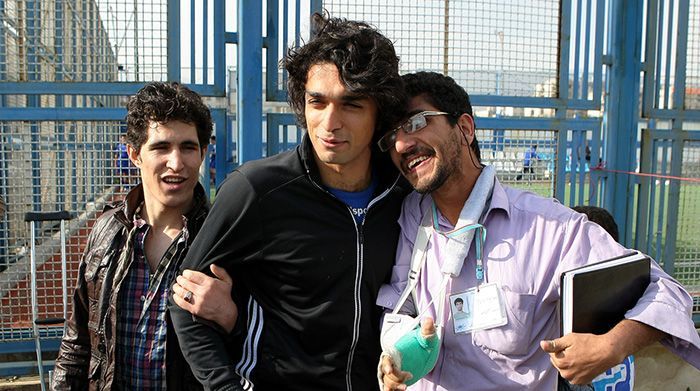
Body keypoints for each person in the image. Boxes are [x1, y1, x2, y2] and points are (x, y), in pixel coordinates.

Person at [376, 71, 700, 390]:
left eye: (417, 123)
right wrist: (397, 356)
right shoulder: (409, 218)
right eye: (391, 137)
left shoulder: (550, 228)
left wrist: (611, 346)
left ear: (464, 128)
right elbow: (401, 304)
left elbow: (666, 291)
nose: (402, 144)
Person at [169, 13, 409, 390]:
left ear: (380, 111)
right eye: (318, 102)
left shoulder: (402, 195)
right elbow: (184, 300)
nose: (330, 122)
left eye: (351, 104)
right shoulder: (258, 189)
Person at [52, 82, 236, 390]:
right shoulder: (106, 231)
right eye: (161, 147)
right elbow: (77, 343)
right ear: (135, 154)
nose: (176, 163)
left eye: (188, 147)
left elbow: (263, 349)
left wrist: (231, 317)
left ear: (204, 153)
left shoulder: (224, 239)